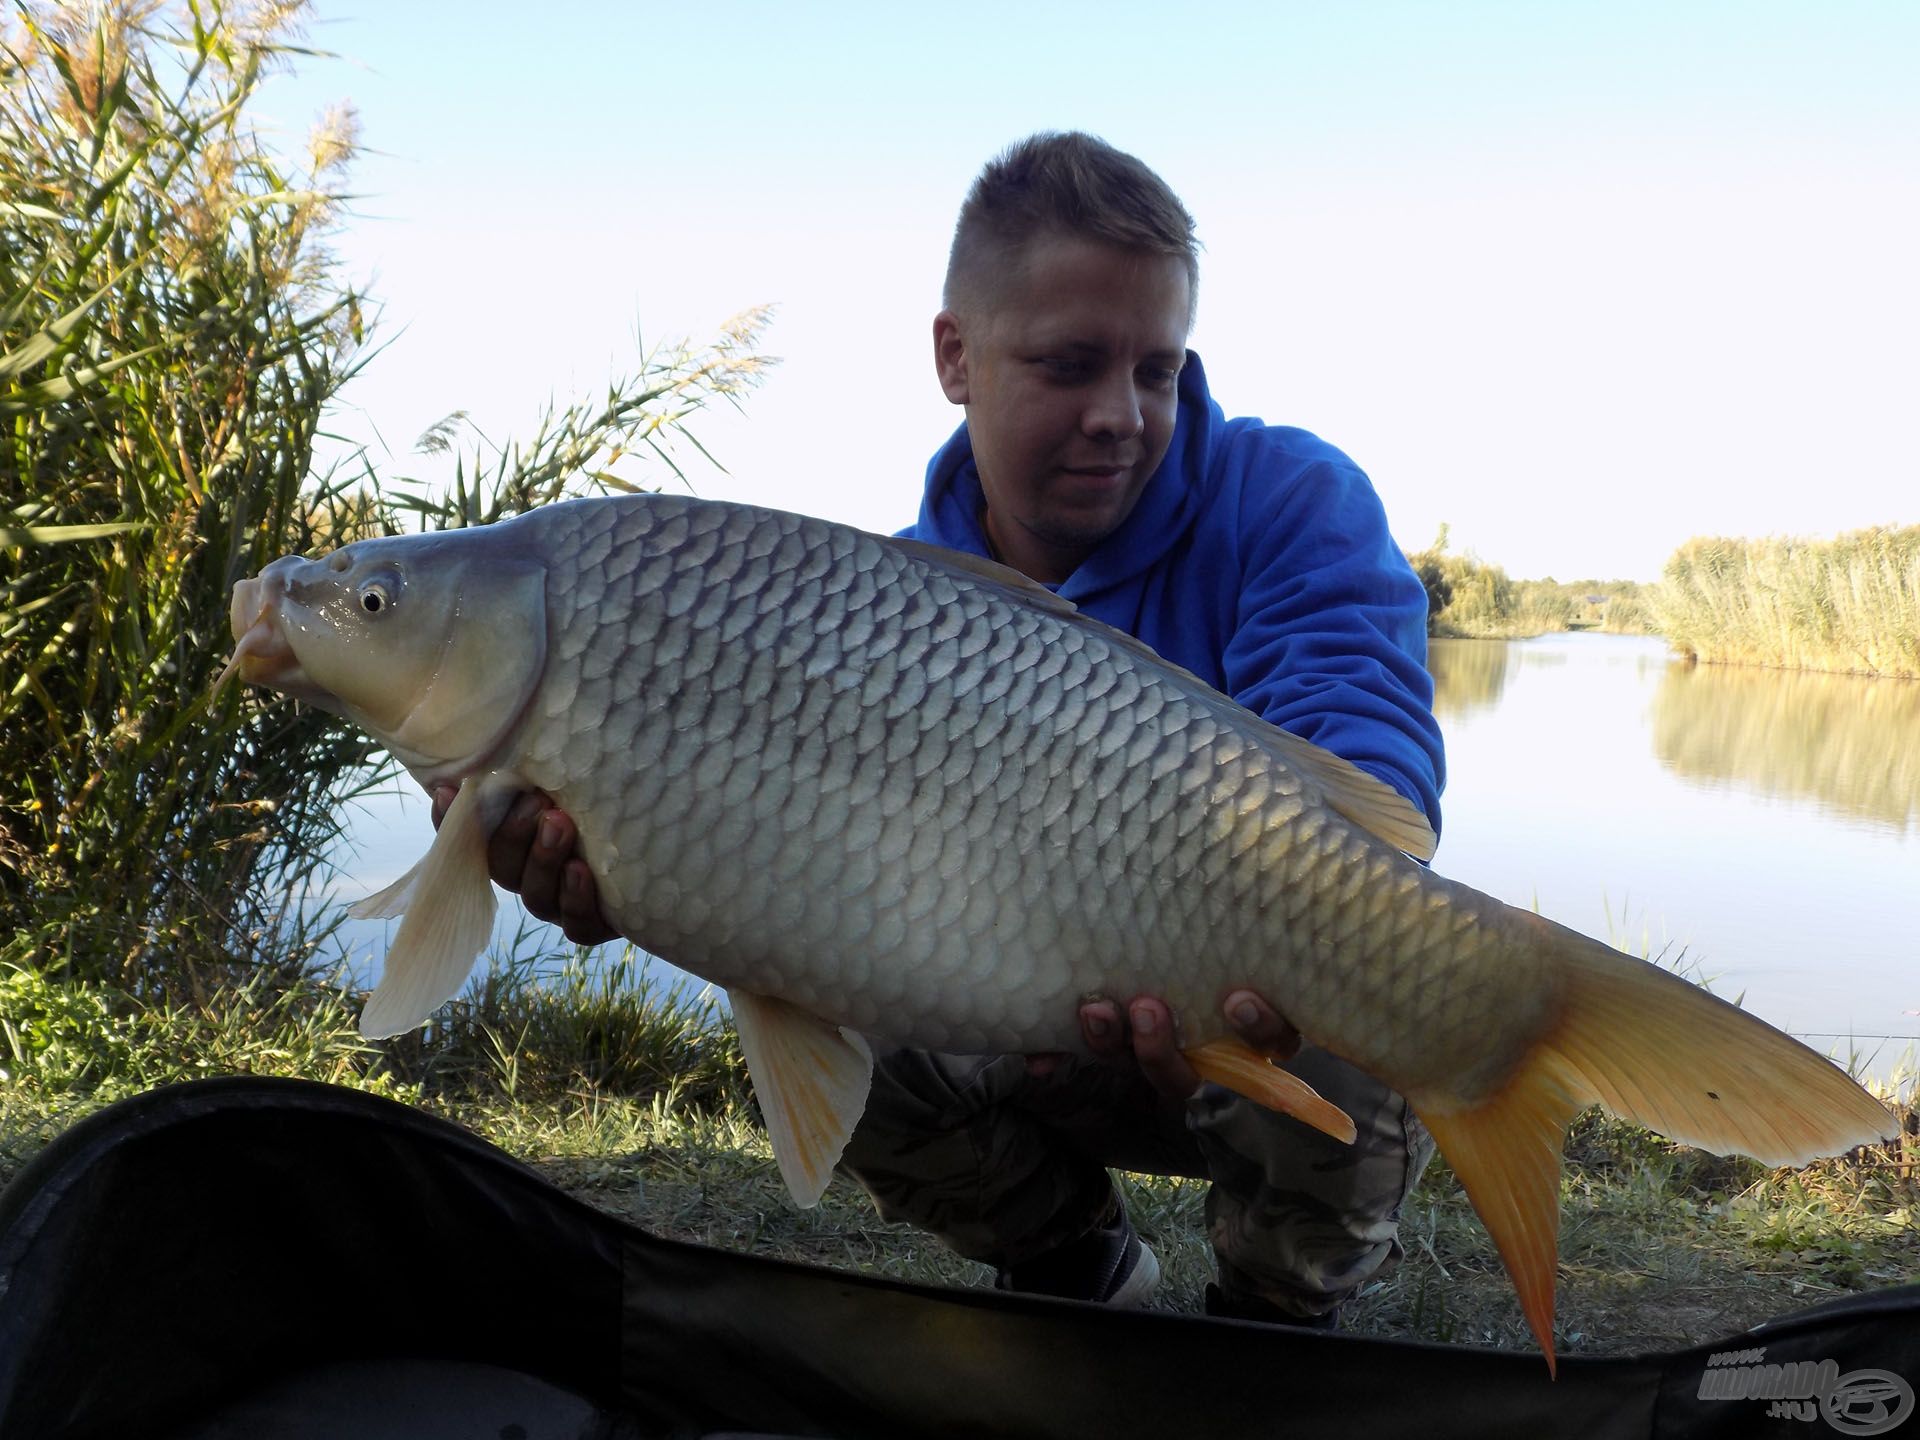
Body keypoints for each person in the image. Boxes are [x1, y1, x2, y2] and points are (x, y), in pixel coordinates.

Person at [447, 131, 1446, 1328]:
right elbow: (772, 862)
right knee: (817, 982)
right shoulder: (885, 607)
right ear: (954, 356)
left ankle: (1269, 1317)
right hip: (1007, 1017)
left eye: (1158, 370)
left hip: (1238, 1016)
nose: (1122, 416)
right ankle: (1073, 1264)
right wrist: (619, 866)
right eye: (1072, 364)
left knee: (1378, 979)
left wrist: (1229, 974)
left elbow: (1371, 771)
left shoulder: (1290, 501)